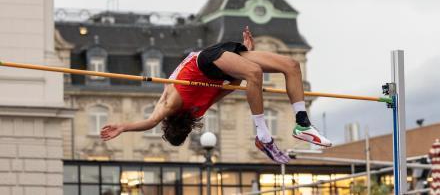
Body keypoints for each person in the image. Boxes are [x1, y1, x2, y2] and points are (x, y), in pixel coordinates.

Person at [101, 27, 331, 164]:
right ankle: (263, 133)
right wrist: (123, 126)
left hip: (213, 61)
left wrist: (124, 126)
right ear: (168, 124)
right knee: (268, 69)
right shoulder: (178, 106)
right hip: (210, 61)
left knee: (291, 65)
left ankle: (302, 124)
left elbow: (232, 85)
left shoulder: (181, 107)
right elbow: (232, 85)